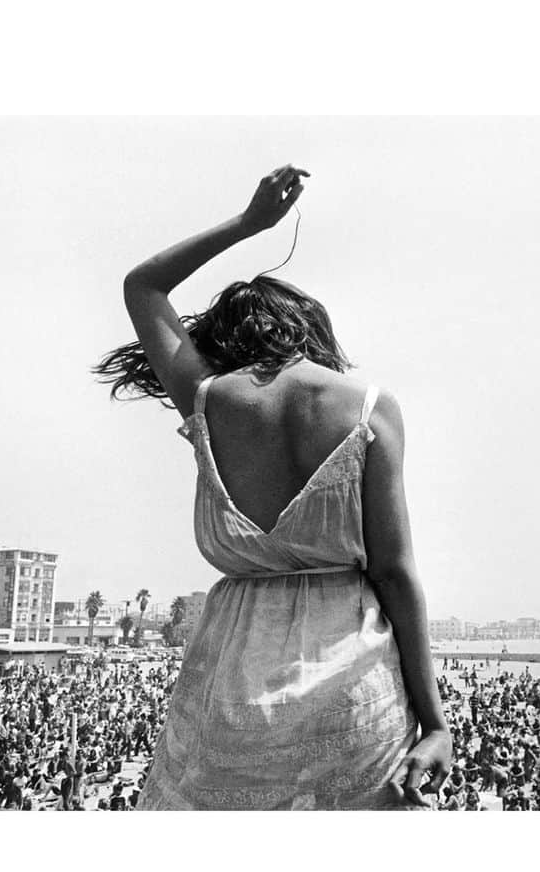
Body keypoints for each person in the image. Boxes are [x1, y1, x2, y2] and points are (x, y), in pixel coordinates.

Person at [95, 165, 451, 810]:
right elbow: (396, 574)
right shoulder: (368, 405)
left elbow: (143, 285)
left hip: (231, 677)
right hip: (354, 679)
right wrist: (436, 723)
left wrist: (249, 224)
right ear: (312, 330)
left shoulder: (205, 400)